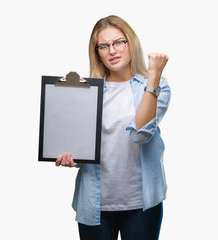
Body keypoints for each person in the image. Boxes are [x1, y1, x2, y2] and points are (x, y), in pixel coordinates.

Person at [55, 15, 171, 240]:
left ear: (131, 43)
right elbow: (82, 143)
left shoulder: (157, 86)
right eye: (104, 46)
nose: (112, 50)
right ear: (97, 52)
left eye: (119, 42)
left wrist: (153, 76)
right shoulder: (86, 92)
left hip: (142, 204)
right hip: (94, 203)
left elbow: (141, 134)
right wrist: (73, 157)